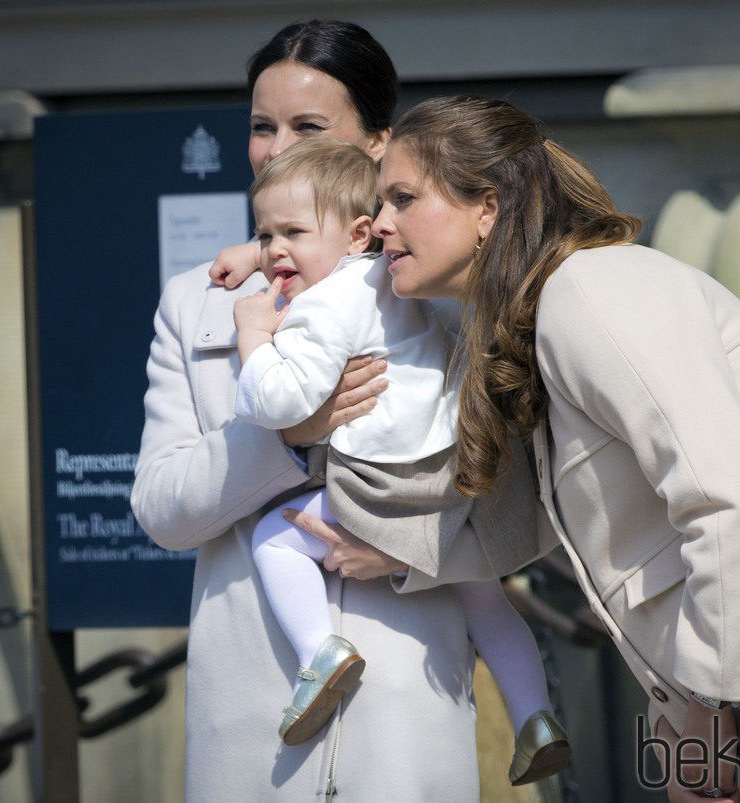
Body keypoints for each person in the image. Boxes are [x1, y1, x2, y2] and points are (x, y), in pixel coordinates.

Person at [347, 94, 740, 802]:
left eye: (402, 197)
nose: (382, 223)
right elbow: (531, 525)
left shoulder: (591, 289)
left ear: (488, 207)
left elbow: (734, 502)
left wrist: (704, 707)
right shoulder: (547, 316)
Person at [130, 23, 554, 801]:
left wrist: (409, 553)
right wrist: (286, 439)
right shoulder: (200, 302)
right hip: (252, 734)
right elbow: (160, 507)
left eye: (308, 126)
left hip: (407, 721)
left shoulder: (436, 289)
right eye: (262, 126)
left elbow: (520, 499)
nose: (276, 145)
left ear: (377, 145)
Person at [216, 135, 570, 783]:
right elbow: (322, 235)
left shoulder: (322, 306)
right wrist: (269, 245)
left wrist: (254, 339)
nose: (275, 252)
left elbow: (280, 399)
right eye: (266, 236)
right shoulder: (393, 276)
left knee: (275, 538)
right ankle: (536, 716)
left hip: (381, 480)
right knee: (486, 600)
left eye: (290, 232)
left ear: (358, 233)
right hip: (450, 470)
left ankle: (320, 652)